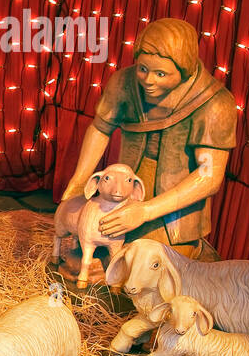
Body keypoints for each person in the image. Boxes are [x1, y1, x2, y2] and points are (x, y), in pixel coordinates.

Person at [58, 18, 236, 276]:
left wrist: (145, 211)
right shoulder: (124, 82)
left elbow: (208, 177)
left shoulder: (215, 105)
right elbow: (100, 128)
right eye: (143, 69)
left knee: (151, 269)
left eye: (161, 74)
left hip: (173, 215)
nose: (148, 80)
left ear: (185, 69)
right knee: (89, 249)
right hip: (123, 193)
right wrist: (79, 181)